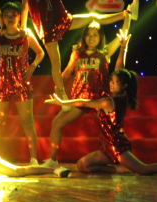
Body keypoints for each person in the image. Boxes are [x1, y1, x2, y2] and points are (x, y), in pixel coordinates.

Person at [45, 40, 157, 177]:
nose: (111, 84)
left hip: (117, 147)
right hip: (106, 147)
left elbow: (84, 103)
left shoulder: (108, 101)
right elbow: (119, 70)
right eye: (111, 81)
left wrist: (63, 101)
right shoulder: (120, 95)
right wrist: (123, 48)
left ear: (123, 86)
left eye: (115, 82)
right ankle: (117, 169)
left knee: (143, 169)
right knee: (82, 165)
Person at [42, 22, 127, 168]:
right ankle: (53, 160)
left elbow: (122, 37)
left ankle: (114, 155)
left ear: (100, 37)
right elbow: (67, 72)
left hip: (98, 99)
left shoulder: (104, 52)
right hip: (79, 99)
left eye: (95, 35)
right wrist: (58, 85)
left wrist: (128, 17)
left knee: (110, 130)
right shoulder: (76, 53)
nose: (91, 38)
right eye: (88, 34)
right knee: (57, 122)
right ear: (84, 37)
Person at [0, 2, 45, 164]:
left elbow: (40, 53)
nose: (10, 18)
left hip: (21, 84)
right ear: (2, 18)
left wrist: (32, 67)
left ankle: (33, 159)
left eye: (13, 15)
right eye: (6, 15)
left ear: (19, 17)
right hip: (3, 85)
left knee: (27, 122)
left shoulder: (25, 35)